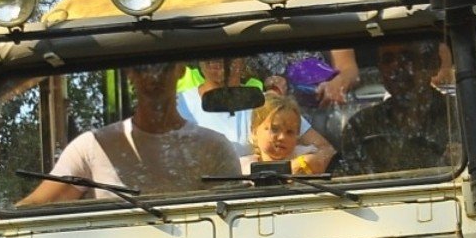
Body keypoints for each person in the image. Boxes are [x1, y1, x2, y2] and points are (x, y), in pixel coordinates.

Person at [18, 61, 240, 205]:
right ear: (129, 73)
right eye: (143, 67)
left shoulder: (214, 148)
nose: (153, 76)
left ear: (180, 69)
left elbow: (234, 221)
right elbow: (34, 206)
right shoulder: (92, 146)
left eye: (163, 65)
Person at [179, 55, 338, 166]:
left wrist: (303, 165)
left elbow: (326, 149)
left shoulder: (268, 104)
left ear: (242, 60)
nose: (219, 60)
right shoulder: (178, 105)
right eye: (208, 53)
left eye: (227, 53)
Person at [335, 39, 458, 175]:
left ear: (433, 64)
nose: (397, 67)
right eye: (388, 60)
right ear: (380, 69)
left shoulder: (461, 116)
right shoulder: (361, 126)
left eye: (407, 57)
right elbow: (351, 183)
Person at [243, 94, 333, 174]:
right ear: (254, 131)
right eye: (274, 129)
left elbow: (320, 159)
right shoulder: (242, 167)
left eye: (290, 132)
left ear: (297, 135)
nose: (282, 137)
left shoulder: (305, 158)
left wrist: (304, 164)